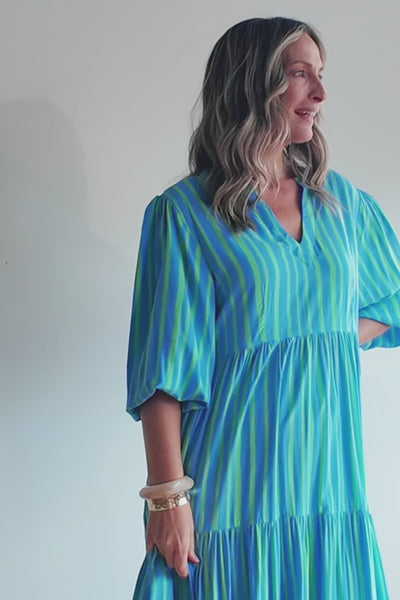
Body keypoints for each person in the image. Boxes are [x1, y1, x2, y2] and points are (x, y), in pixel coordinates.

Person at [126, 16, 400, 599]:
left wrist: (321, 337)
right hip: (233, 488)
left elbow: (392, 299)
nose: (320, 94)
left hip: (328, 488)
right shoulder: (185, 214)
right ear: (252, 83)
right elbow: (163, 375)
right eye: (300, 74)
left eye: (320, 75)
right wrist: (168, 498)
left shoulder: (342, 204)